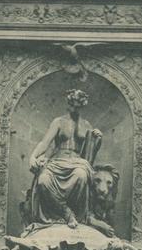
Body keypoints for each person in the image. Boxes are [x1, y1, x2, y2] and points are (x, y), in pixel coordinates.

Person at [29, 89, 102, 228]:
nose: (75, 108)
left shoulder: (86, 125)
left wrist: (98, 140)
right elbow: (45, 143)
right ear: (69, 104)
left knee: (81, 175)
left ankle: (73, 213)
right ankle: (66, 212)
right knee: (43, 181)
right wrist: (33, 157)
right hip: (57, 161)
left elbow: (90, 153)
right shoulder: (59, 122)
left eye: (79, 105)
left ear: (82, 105)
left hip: (77, 162)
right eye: (73, 104)